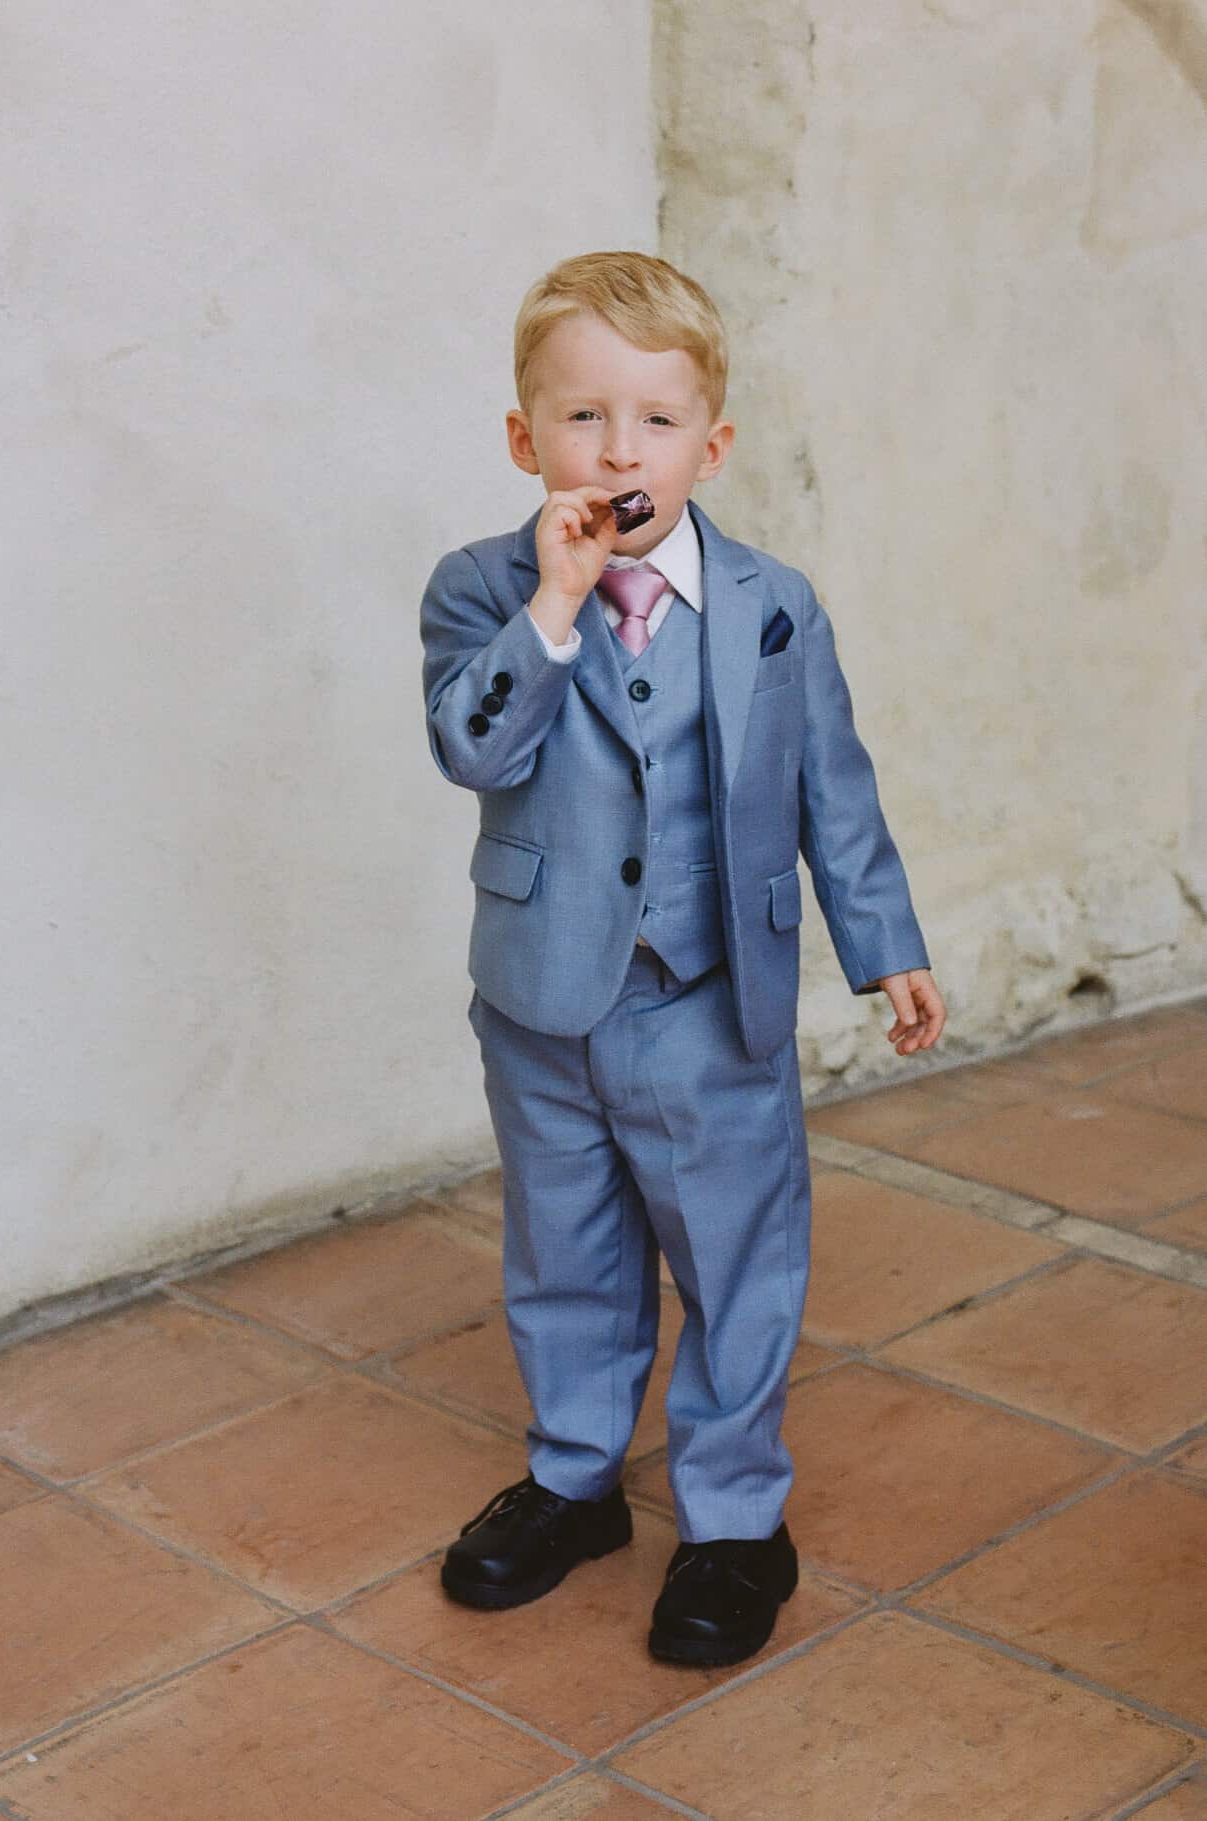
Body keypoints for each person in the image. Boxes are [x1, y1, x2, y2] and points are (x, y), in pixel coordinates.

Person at [418, 250, 946, 1667]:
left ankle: (731, 1521)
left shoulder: (775, 604)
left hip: (715, 1004)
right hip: (543, 1000)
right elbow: (474, 744)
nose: (617, 448)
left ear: (708, 446)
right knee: (566, 1255)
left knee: (734, 1259)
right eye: (581, 417)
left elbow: (832, 782)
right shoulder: (479, 592)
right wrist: (553, 603)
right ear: (524, 439)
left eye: (653, 419)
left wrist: (881, 940)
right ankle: (575, 1479)